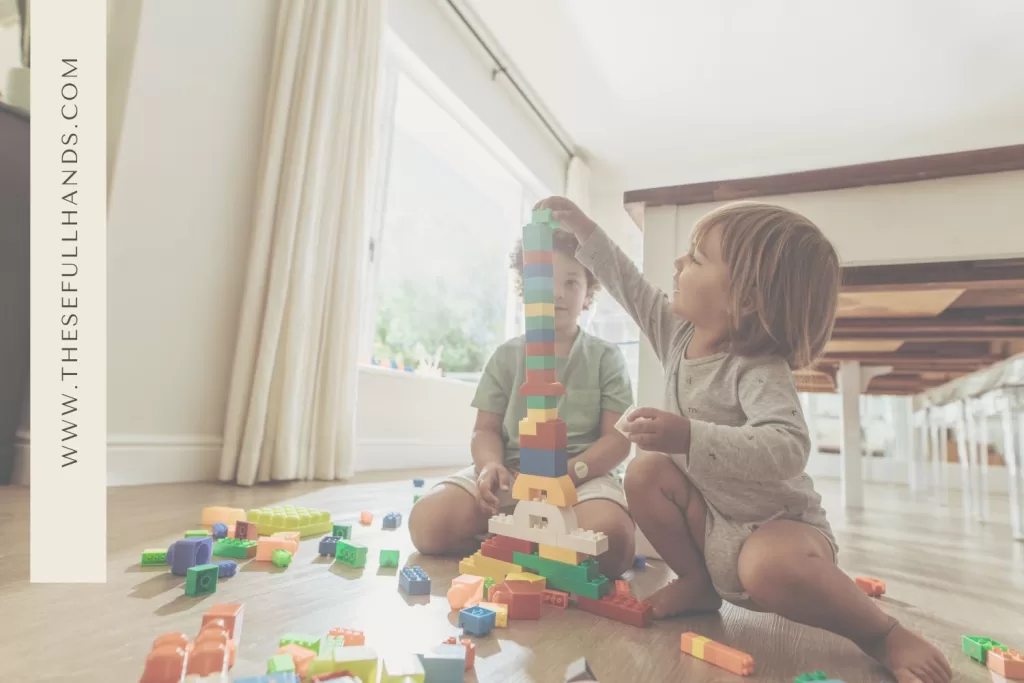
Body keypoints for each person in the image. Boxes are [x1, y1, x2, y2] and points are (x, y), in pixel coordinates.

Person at [536, 196, 951, 683]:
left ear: (745, 298)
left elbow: (788, 448)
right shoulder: (677, 335)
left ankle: (882, 633)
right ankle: (697, 583)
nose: (677, 264)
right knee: (647, 469)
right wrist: (585, 228)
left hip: (779, 528)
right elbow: (628, 284)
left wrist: (688, 434)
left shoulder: (758, 369)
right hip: (714, 521)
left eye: (696, 258)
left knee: (767, 567)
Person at [409, 228, 637, 579]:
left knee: (612, 541)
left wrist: (572, 472)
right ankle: (524, 544)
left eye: (572, 283)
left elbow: (618, 441)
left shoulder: (606, 358)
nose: (558, 293)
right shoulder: (506, 356)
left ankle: (524, 544)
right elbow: (484, 430)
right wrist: (489, 466)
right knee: (427, 523)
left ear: (588, 293)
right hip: (510, 474)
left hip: (582, 479)